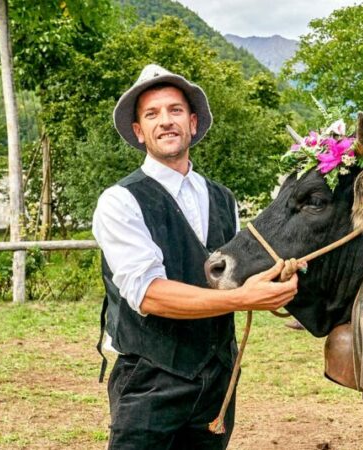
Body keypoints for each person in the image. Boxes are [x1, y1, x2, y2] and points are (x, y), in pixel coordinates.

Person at [92, 64, 299, 450]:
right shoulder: (120, 201)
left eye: (174, 111)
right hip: (150, 379)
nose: (165, 122)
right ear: (139, 132)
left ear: (192, 121)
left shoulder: (224, 199)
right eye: (151, 115)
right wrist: (243, 299)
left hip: (217, 378)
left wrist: (283, 277)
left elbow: (236, 276)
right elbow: (148, 295)